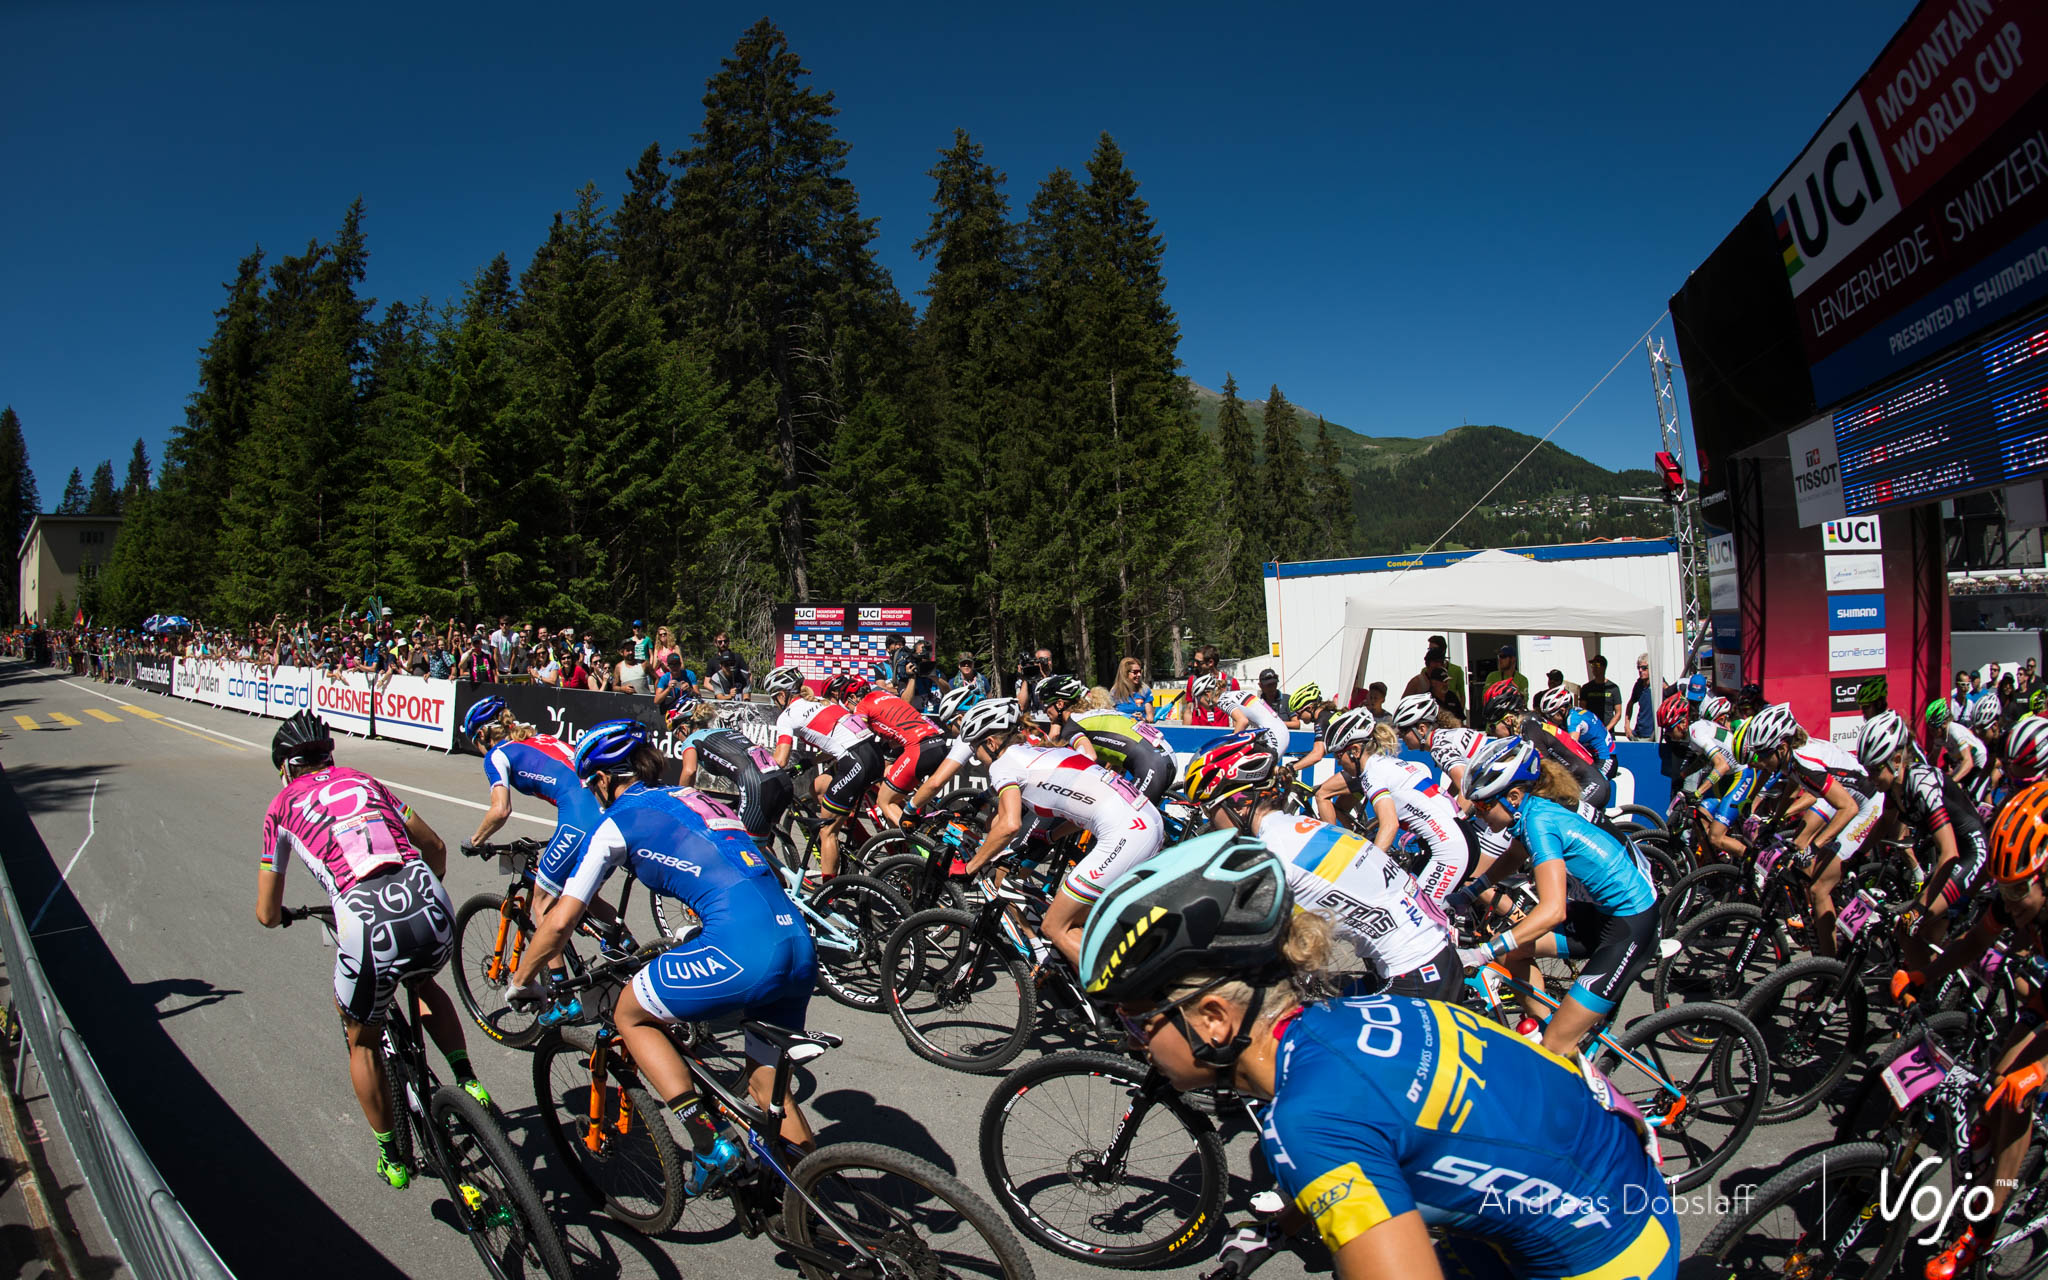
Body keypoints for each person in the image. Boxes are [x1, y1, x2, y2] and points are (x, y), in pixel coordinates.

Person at [1075, 832, 1676, 1280]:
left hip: (1604, 1257)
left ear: (1214, 1018)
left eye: (1137, 1019)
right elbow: (1372, 1139)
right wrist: (1281, 1226)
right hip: (1623, 1187)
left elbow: (1339, 1132)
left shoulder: (1304, 1119)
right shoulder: (1361, 1014)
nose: (1132, 1040)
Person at [507, 719, 817, 1191]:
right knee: (766, 1087)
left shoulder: (616, 822)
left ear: (604, 779)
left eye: (592, 786)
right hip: (796, 941)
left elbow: (560, 918)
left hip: (745, 948)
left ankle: (709, 1145)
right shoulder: (699, 798)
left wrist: (523, 980)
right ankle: (812, 1202)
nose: (593, 795)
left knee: (630, 1013)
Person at [257, 711, 485, 1190]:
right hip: (428, 899)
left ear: (286, 768)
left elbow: (266, 912)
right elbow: (435, 846)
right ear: (329, 757)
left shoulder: (281, 806)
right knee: (422, 981)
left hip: (364, 918)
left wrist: (282, 917)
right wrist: (426, 893)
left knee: (360, 1036)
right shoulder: (365, 781)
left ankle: (392, 1156)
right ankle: (468, 1080)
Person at [1890, 781, 2048, 1280]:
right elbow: (1976, 940)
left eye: (2019, 890)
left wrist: (2037, 1072)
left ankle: (1981, 1234)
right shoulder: (2018, 893)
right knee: (1997, 1080)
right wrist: (1924, 974)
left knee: (2016, 1094)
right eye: (2004, 889)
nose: (2010, 902)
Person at [1183, 739, 1460, 998]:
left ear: (1240, 805)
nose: (1209, 821)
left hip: (1412, 971)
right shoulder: (1301, 825)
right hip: (1431, 953)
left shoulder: (1273, 852)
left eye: (1210, 809)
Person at [1459, 736, 1660, 1057]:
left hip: (1630, 924)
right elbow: (1513, 857)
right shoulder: (1531, 810)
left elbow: (1553, 911)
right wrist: (1470, 891)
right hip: (1599, 913)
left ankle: (1559, 1052)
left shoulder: (1540, 822)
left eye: (1483, 805)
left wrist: (1482, 952)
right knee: (1510, 955)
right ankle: (1546, 1031)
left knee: (1556, 1045)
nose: (1477, 814)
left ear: (1513, 796)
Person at [957, 698, 1163, 967]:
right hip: (1145, 819)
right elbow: (1082, 809)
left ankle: (1122, 991)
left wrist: (970, 867)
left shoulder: (1003, 764)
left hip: (1128, 831)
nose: (976, 757)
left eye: (976, 749)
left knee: (1055, 927)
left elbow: (1009, 824)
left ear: (991, 743)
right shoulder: (1037, 752)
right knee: (1078, 920)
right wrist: (1050, 836)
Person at [459, 697, 619, 1018]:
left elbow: (500, 810)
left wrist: (475, 841)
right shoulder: (540, 738)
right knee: (586, 895)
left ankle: (563, 998)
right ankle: (624, 948)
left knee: (542, 902)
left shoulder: (496, 754)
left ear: (481, 736)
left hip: (579, 818)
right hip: (610, 812)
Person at [1738, 703, 1885, 958]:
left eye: (1763, 754)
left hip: (1867, 804)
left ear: (1782, 747)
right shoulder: (1791, 759)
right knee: (1803, 864)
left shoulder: (1804, 763)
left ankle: (1829, 967)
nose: (1759, 760)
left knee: (1819, 889)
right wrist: (1775, 820)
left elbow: (1848, 808)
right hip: (1846, 798)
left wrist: (1816, 846)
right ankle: (1834, 907)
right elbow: (1791, 789)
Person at [1311, 715, 1472, 909]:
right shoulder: (1387, 763)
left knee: (1417, 916)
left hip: (1449, 849)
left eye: (1339, 756)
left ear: (1355, 751)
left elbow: (1389, 824)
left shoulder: (1372, 774)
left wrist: (1365, 867)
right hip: (1460, 836)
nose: (1338, 763)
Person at [765, 664, 880, 885]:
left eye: (774, 698)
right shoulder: (821, 703)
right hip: (871, 753)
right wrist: (810, 762)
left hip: (854, 760)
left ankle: (828, 894)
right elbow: (837, 741)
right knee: (817, 787)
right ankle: (863, 843)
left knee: (827, 831)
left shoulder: (787, 716)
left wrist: (757, 766)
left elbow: (780, 760)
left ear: (781, 695)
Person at [826, 672, 945, 826]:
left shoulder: (862, 706)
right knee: (888, 772)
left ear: (853, 697)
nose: (849, 709)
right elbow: (895, 737)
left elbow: (858, 737)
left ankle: (914, 837)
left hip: (918, 749)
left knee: (885, 801)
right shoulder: (887, 696)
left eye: (847, 704)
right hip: (938, 742)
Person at [673, 700, 795, 845]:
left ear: (683, 729)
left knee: (743, 848)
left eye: (676, 734)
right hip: (782, 781)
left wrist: (681, 801)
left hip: (757, 788)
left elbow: (689, 771)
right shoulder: (728, 731)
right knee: (760, 847)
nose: (678, 739)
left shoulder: (692, 739)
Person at [1196, 674, 1290, 757]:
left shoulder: (1222, 700)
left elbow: (1242, 721)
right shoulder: (1230, 695)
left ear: (1207, 694)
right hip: (1279, 730)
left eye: (1198, 698)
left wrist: (1229, 746)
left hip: (1275, 735)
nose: (1198, 703)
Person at [1579, 654, 1622, 732]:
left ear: (1604, 667)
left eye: (1597, 665)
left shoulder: (1613, 688)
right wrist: (1590, 725)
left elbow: (1618, 713)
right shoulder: (1586, 688)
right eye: (1592, 665)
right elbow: (1582, 709)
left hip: (1608, 731)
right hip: (1591, 730)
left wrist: (1606, 729)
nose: (1594, 668)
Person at [1623, 653, 1655, 740]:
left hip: (1652, 735)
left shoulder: (1658, 684)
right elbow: (1630, 704)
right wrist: (1627, 726)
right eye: (1638, 668)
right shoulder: (1638, 684)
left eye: (1644, 668)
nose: (1640, 670)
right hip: (1638, 733)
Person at [1109, 656, 1152, 723]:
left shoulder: (1145, 690)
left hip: (1140, 726)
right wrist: (1128, 717)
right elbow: (1110, 716)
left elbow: (1150, 718)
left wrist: (1143, 719)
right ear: (1125, 673)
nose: (1139, 674)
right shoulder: (1115, 692)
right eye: (1135, 672)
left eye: (1140, 671)